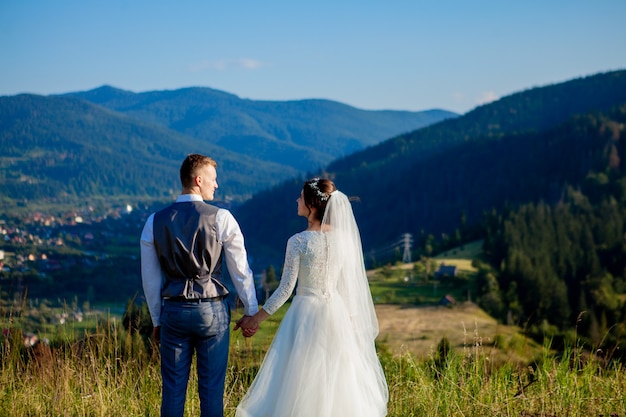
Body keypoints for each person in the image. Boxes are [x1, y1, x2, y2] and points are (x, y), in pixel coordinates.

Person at [234, 178, 388, 417]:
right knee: (336, 379)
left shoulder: (298, 242)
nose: (297, 201)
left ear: (312, 205)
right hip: (336, 313)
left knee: (300, 379)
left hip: (305, 314)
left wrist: (256, 319)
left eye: (300, 197)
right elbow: (348, 286)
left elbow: (286, 289)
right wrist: (353, 324)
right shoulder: (345, 240)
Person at [140, 153, 259, 417]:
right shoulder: (222, 218)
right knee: (212, 392)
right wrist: (251, 309)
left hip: (173, 312)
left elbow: (150, 278)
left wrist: (157, 319)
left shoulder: (154, 221)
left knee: (172, 392)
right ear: (198, 180)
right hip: (212, 312)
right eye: (213, 179)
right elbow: (240, 269)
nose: (216, 185)